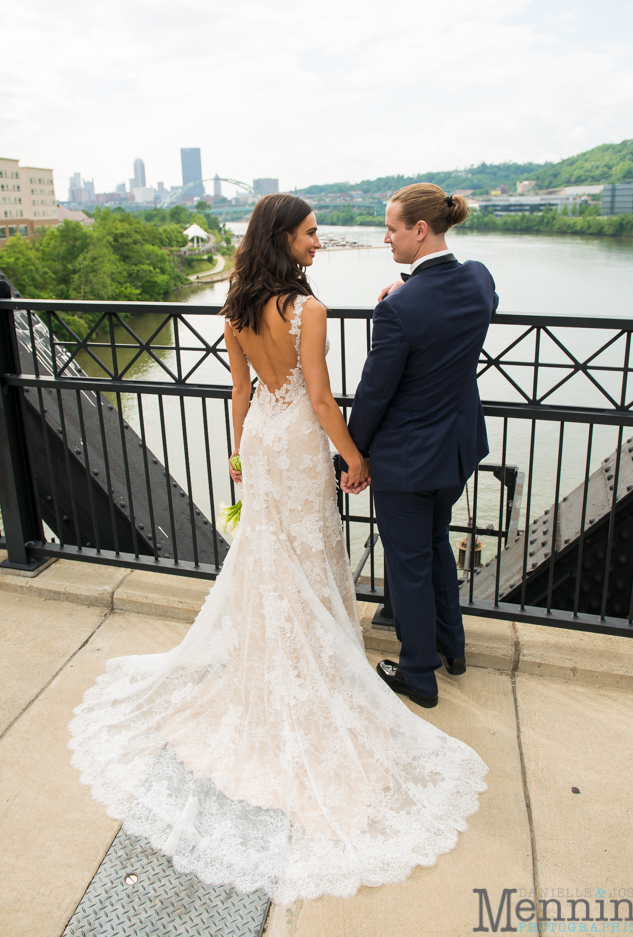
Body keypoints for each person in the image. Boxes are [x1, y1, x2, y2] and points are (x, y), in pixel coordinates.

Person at [68, 193, 487, 905]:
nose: (319, 242)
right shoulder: (308, 311)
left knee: (268, 555)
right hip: (297, 445)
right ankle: (320, 656)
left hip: (261, 441)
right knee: (306, 553)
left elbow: (240, 392)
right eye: (311, 232)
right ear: (285, 239)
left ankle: (271, 654)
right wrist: (353, 458)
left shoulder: (234, 308)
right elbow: (322, 403)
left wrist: (237, 455)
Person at [341, 183, 498, 708]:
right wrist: (405, 284)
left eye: (392, 228)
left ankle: (418, 676)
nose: (386, 238)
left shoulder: (397, 311)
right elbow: (455, 304)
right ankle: (452, 649)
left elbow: (374, 393)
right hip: (456, 451)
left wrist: (353, 454)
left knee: (407, 563)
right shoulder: (479, 280)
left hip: (407, 462)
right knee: (434, 548)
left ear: (420, 229)